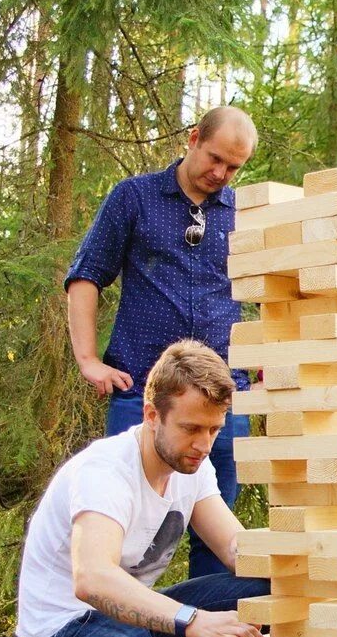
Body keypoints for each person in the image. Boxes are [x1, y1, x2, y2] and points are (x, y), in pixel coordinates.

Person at [0, 341, 271, 637]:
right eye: (190, 428)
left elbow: (237, 550)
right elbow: (92, 579)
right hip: (70, 627)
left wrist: (307, 558)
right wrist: (191, 619)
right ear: (152, 414)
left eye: (214, 430)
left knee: (270, 587)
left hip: (130, 622)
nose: (204, 444)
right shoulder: (106, 473)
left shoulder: (193, 467)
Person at [65, 106, 258, 581]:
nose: (221, 174)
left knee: (218, 535)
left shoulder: (244, 215)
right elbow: (86, 276)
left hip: (223, 400)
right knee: (120, 523)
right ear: (193, 138)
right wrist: (88, 359)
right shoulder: (134, 198)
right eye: (214, 159)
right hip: (142, 396)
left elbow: (269, 293)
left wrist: (267, 359)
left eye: (234, 167)